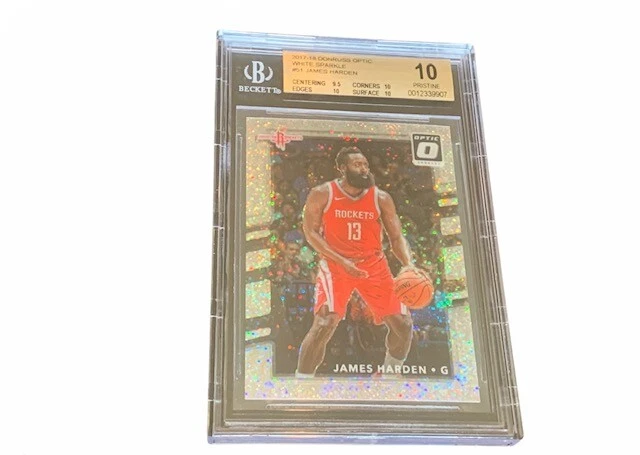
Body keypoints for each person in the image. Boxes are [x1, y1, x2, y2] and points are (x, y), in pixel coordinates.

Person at [295, 146, 418, 377]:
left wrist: (408, 264)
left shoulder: (381, 198)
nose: (363, 169)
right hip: (336, 264)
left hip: (373, 265)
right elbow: (311, 233)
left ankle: (390, 376)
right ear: (342, 168)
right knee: (324, 323)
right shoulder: (322, 193)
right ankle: (302, 382)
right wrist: (342, 261)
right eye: (357, 164)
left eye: (365, 165)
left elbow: (396, 237)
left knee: (403, 324)